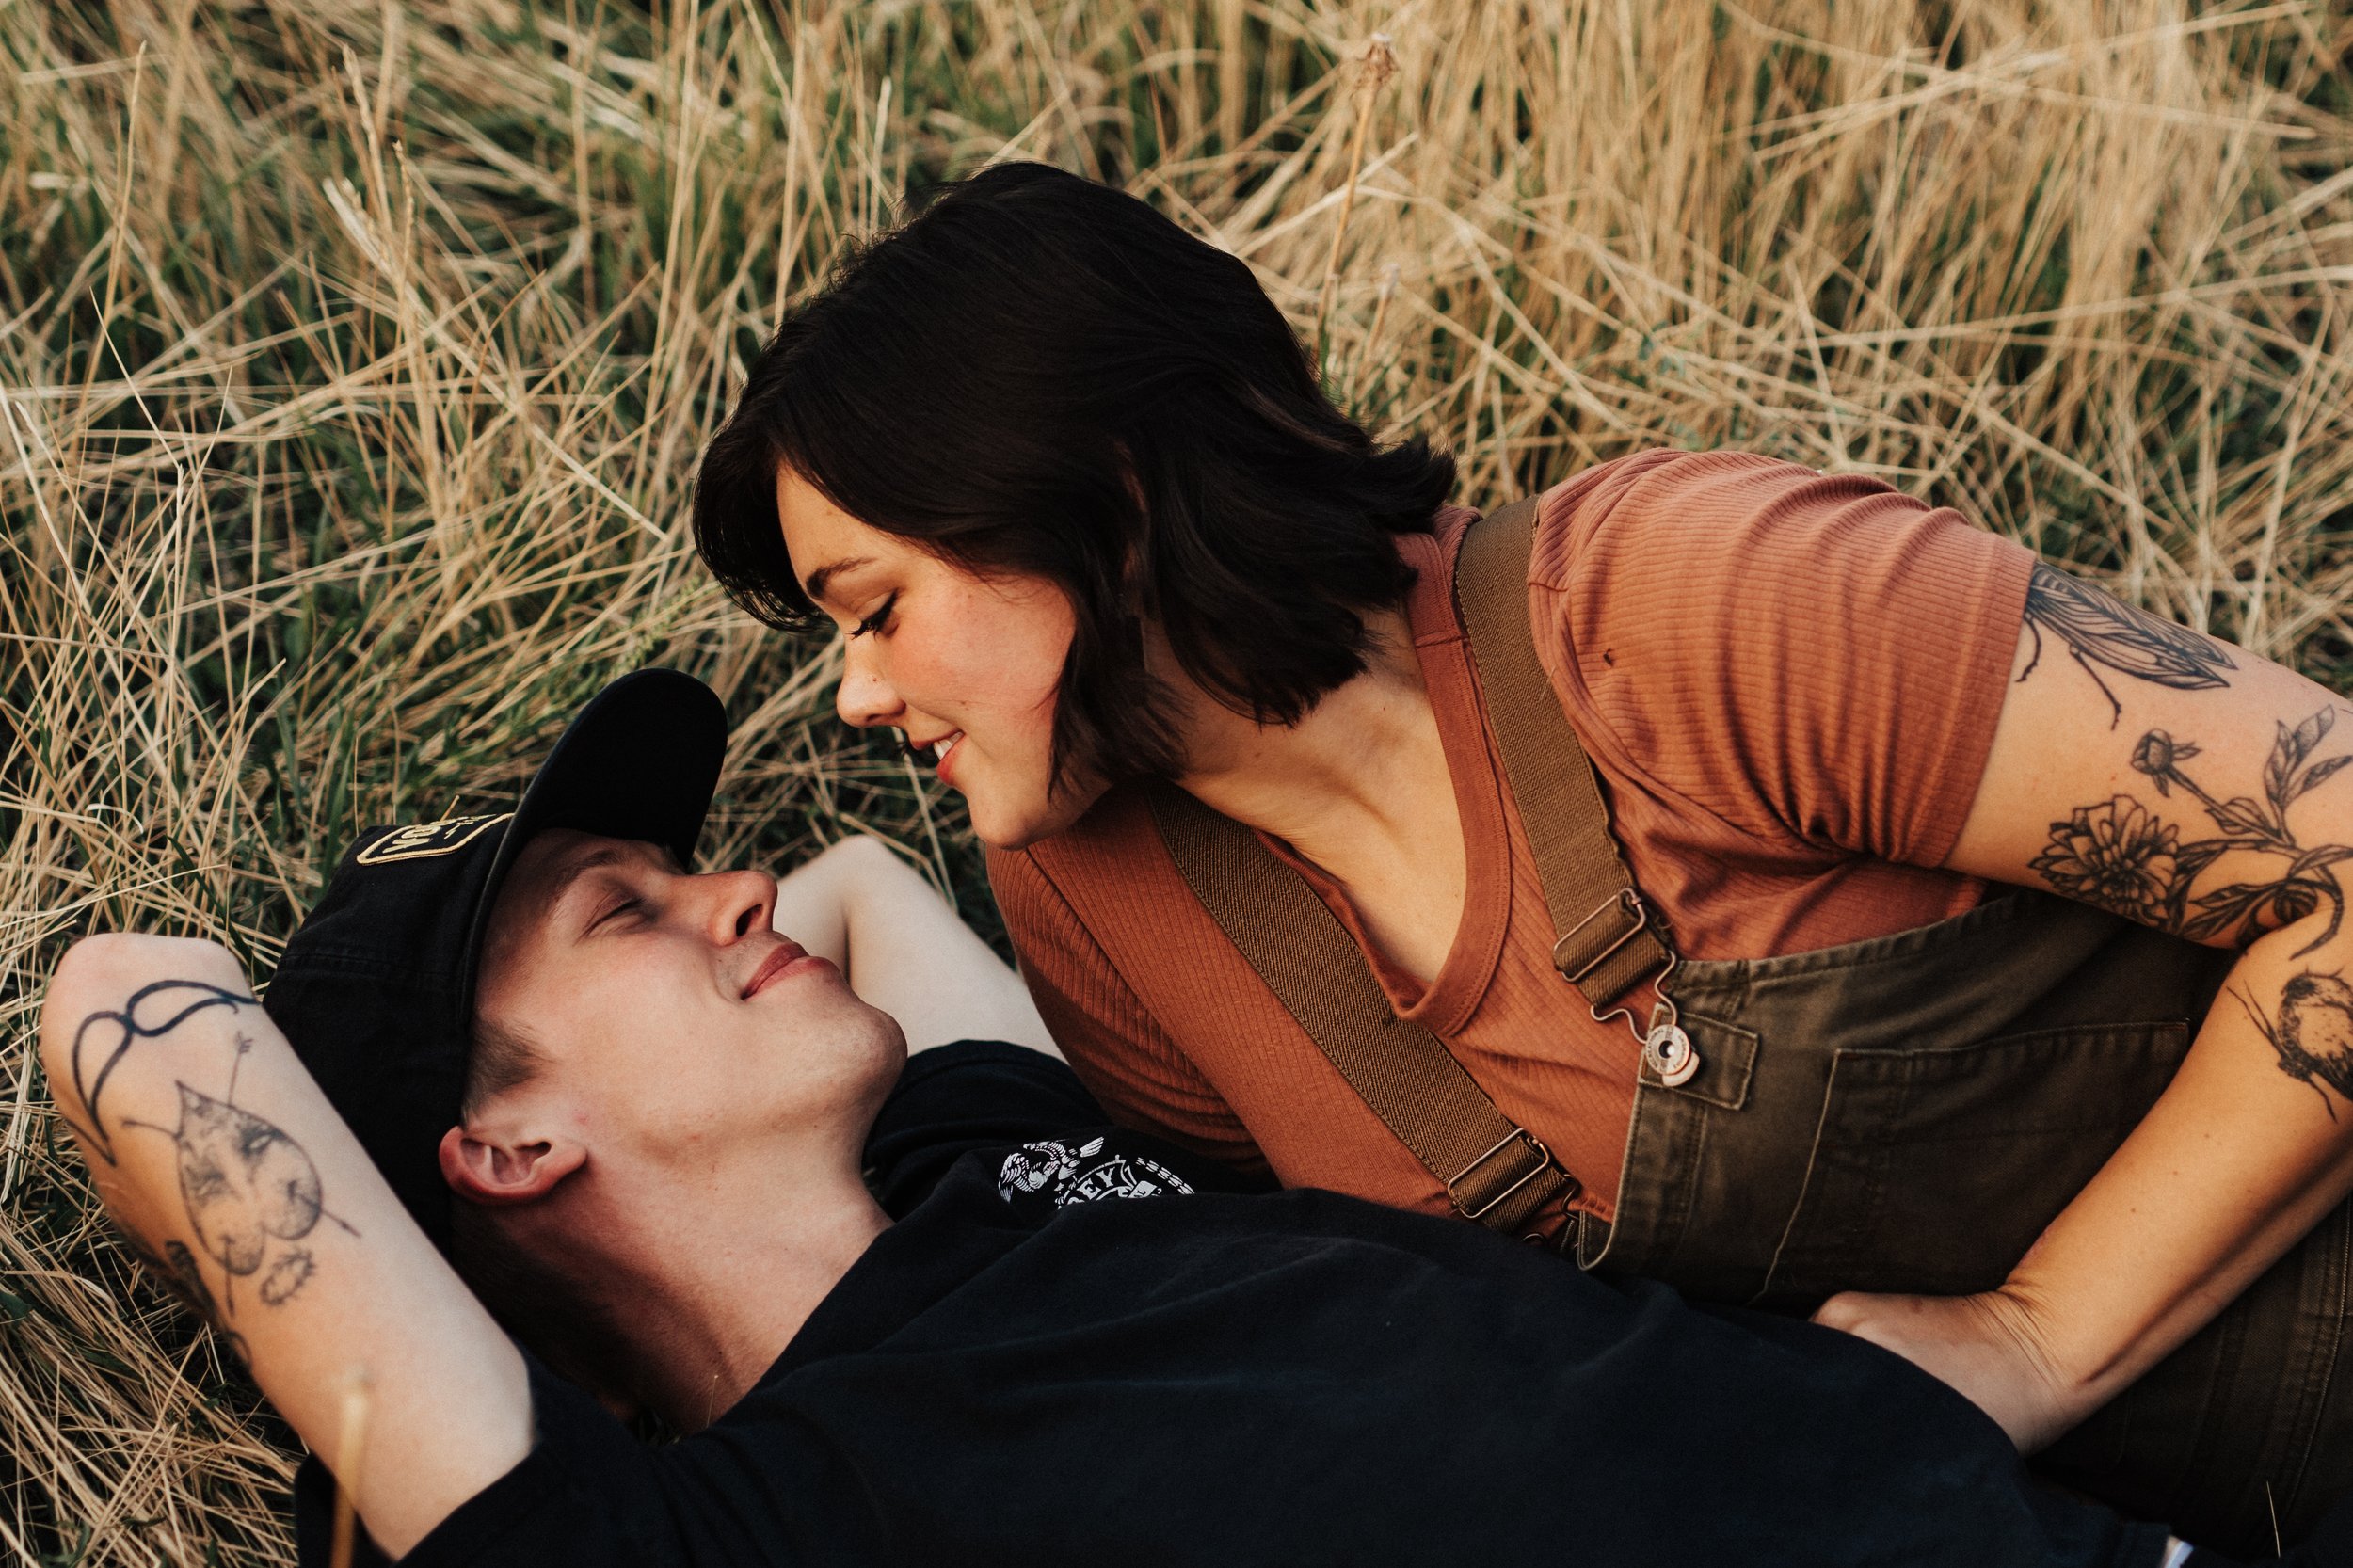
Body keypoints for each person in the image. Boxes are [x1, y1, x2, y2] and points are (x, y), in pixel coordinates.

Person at [690, 160, 2353, 1551]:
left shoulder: (1686, 610)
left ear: (1102, 495)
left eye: (878, 608)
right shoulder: (1099, 912)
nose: (857, 694)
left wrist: (2035, 1337)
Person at [42, 669, 2336, 1568]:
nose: (751, 886)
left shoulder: (994, 1166)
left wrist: (682, 943)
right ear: (506, 1146)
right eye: (632, 912)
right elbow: (126, 1000)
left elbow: (861, 889)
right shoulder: (717, 1533)